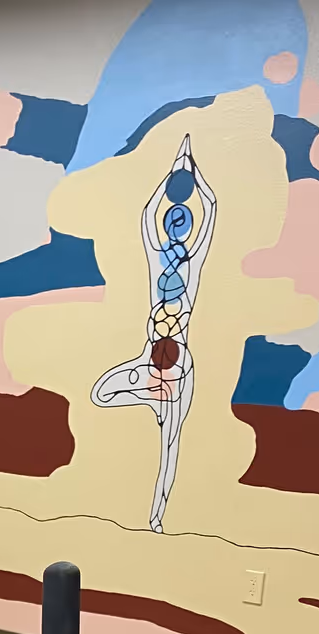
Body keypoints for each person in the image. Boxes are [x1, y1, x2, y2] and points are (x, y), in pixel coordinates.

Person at [92, 137, 216, 534]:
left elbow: (210, 212)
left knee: (170, 444)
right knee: (101, 392)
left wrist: (193, 175)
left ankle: (156, 519)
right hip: (149, 366)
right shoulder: (159, 267)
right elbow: (148, 217)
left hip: (180, 370)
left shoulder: (190, 270)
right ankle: (148, 397)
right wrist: (172, 178)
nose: (178, 231)